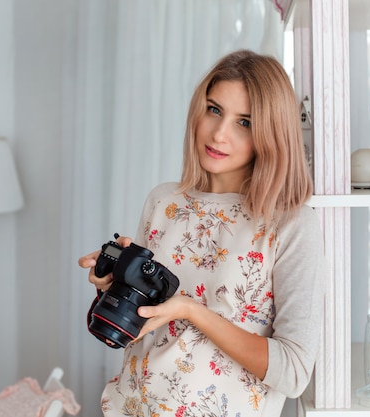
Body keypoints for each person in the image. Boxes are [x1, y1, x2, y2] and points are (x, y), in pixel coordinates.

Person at [79, 49, 325, 417]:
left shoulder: (290, 224)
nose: (219, 134)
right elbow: (142, 329)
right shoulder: (164, 202)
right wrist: (113, 285)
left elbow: (293, 372)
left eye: (245, 122)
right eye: (214, 110)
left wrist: (194, 312)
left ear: (271, 133)